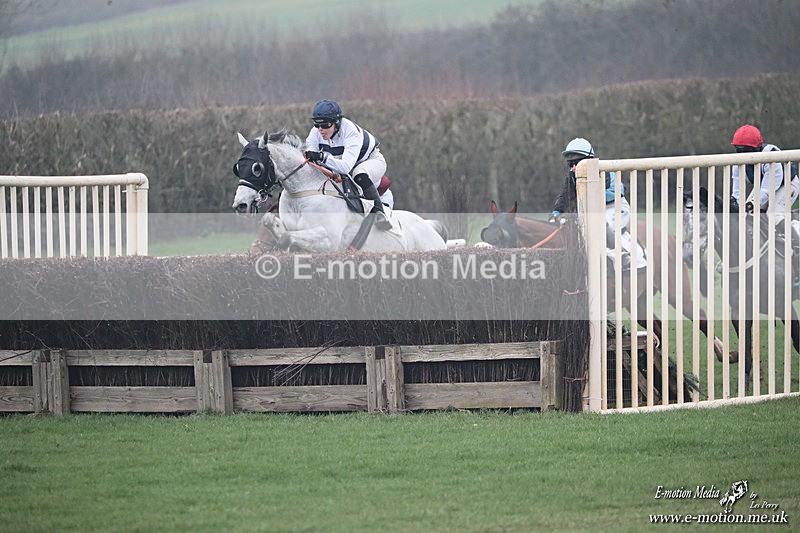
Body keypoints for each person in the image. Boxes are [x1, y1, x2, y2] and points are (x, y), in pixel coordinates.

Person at [548, 137, 637, 270]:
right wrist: (556, 213)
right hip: (594, 210)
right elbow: (564, 196)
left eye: (576, 163)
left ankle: (621, 254)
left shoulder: (603, 172)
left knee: (599, 223)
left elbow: (611, 193)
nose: (573, 168)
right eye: (570, 164)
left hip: (615, 209)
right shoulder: (572, 176)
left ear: (589, 160)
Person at [304, 99, 393, 230]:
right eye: (317, 125)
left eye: (325, 125)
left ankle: (379, 213)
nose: (321, 130)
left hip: (370, 161)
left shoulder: (350, 131)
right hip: (345, 164)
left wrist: (322, 157)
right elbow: (310, 158)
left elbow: (345, 168)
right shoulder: (315, 132)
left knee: (359, 174)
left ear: (337, 123)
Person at [730, 124, 798, 216]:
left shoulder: (771, 157)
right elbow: (737, 193)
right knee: (749, 215)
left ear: (757, 148)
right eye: (739, 150)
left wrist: (751, 204)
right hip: (763, 186)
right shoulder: (737, 163)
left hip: (788, 184)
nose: (743, 155)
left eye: (747, 151)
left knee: (774, 215)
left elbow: (766, 191)